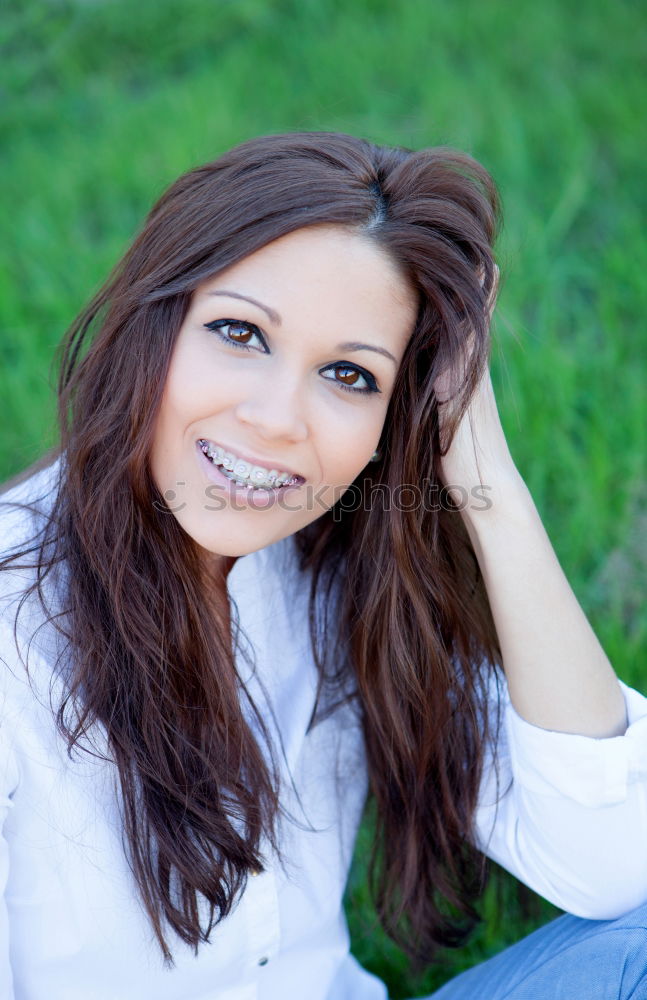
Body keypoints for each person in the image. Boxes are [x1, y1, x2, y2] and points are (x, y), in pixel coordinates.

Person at [0, 131, 645, 1000]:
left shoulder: (333, 566)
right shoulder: (14, 635)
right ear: (154, 324)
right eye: (239, 332)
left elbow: (613, 862)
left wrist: (486, 481)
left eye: (348, 375)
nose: (275, 420)